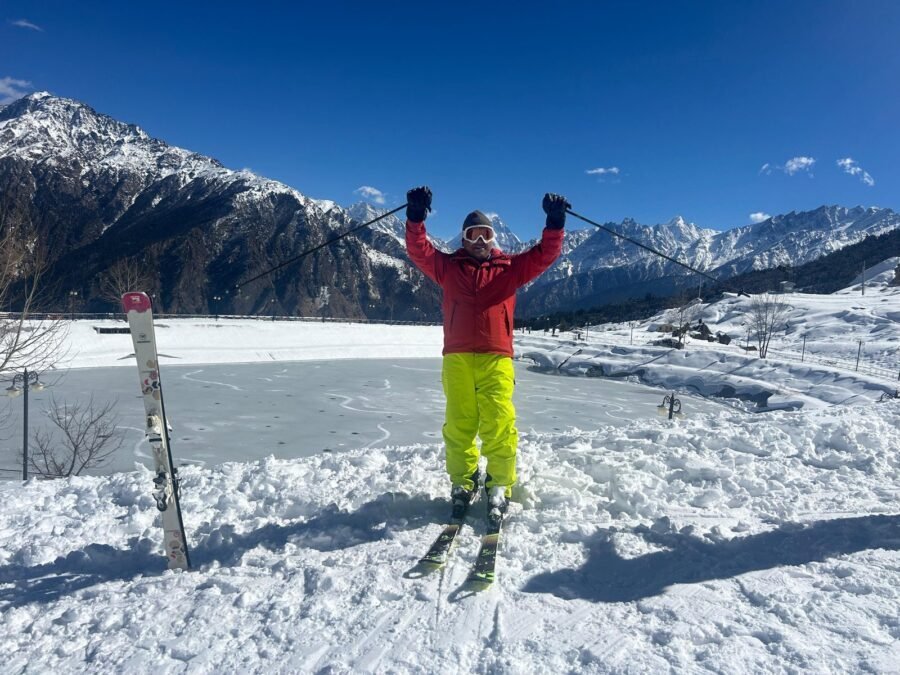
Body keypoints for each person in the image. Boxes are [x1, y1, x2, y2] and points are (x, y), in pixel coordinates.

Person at [404, 186, 568, 524]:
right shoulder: (448, 267)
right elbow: (419, 251)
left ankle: (499, 485)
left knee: (499, 423)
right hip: (458, 358)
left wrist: (554, 225)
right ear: (463, 239)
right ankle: (463, 482)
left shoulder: (510, 268)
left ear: (493, 239)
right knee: (459, 424)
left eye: (485, 235)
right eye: (472, 235)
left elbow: (544, 255)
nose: (479, 241)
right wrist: (416, 217)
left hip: (497, 357)